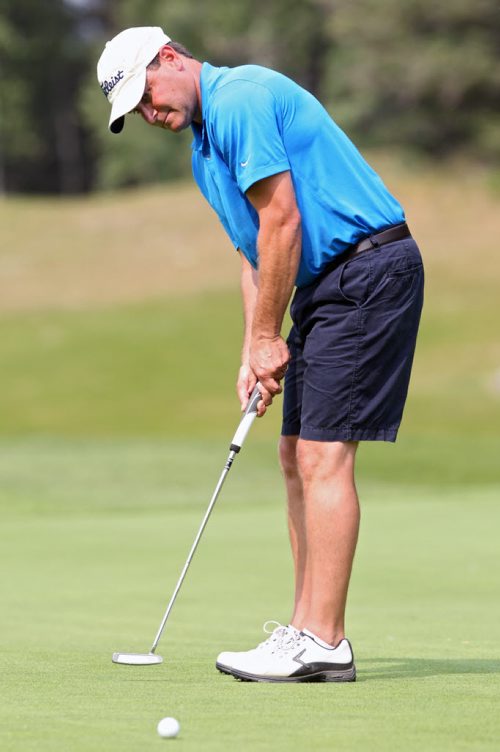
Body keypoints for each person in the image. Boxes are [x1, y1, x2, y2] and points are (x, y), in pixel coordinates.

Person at [97, 26, 424, 683]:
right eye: (136, 112)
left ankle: (324, 641)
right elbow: (254, 253)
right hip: (321, 288)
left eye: (148, 96)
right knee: (291, 453)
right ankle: (302, 630)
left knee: (322, 453)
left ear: (170, 58)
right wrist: (254, 345)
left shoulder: (241, 97)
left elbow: (284, 221)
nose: (150, 114)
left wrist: (273, 335)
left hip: (367, 269)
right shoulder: (205, 151)